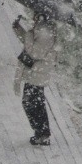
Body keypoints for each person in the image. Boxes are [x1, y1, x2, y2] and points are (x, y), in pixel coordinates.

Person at [12, 11, 59, 145]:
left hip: (37, 74)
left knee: (31, 104)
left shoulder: (46, 33)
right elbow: (31, 45)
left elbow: (33, 51)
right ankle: (41, 133)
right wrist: (19, 29)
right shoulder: (43, 30)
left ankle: (42, 134)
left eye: (37, 15)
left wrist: (28, 34)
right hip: (36, 73)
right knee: (35, 103)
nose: (34, 17)